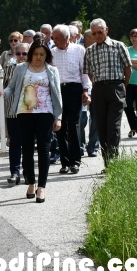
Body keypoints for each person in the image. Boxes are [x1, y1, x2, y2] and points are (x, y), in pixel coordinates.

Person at [4, 40, 62, 203]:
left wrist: (58, 117)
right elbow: (12, 87)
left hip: (45, 112)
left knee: (44, 149)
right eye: (35, 54)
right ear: (31, 54)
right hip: (24, 112)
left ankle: (41, 187)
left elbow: (57, 94)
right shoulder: (21, 68)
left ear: (46, 55)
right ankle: (31, 182)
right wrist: (4, 93)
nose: (38, 57)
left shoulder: (52, 70)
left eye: (42, 54)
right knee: (27, 149)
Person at [83, 18, 132, 164]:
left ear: (106, 30)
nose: (97, 36)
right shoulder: (90, 51)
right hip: (98, 89)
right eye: (94, 33)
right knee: (101, 126)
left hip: (116, 87)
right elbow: (89, 73)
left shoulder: (118, 46)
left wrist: (123, 86)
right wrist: (97, 85)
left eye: (100, 32)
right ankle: (107, 161)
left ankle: (113, 160)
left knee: (113, 126)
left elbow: (128, 69)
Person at [50, 24, 91, 175]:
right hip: (58, 90)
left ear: (66, 38)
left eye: (57, 38)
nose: (54, 40)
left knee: (73, 126)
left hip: (74, 89)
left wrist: (86, 90)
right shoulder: (52, 52)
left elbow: (85, 72)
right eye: (53, 38)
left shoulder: (79, 50)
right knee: (59, 127)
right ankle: (64, 162)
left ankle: (75, 161)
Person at [3, 41, 28, 184]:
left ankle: (27, 171)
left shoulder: (33, 68)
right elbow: (4, 87)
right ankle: (14, 172)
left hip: (30, 111)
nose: (21, 56)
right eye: (18, 54)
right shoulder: (9, 68)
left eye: (24, 53)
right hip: (12, 110)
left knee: (28, 143)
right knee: (14, 142)